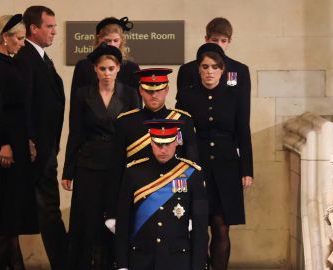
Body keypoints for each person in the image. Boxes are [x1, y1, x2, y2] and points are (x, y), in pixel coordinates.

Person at [61, 43, 139, 270]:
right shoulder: (82, 95)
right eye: (102, 68)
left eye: (111, 68)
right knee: (87, 222)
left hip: (120, 166)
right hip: (88, 165)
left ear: (118, 69)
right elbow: (75, 132)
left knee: (116, 220)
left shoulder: (130, 94)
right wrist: (68, 170)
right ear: (95, 69)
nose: (106, 73)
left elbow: (136, 133)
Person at [176, 43, 254, 270]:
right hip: (196, 166)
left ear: (222, 70)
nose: (209, 71)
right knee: (198, 226)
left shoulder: (234, 95)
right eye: (205, 67)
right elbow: (180, 134)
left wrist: (247, 169)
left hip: (227, 166)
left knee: (221, 226)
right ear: (198, 69)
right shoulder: (187, 96)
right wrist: (179, 167)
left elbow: (243, 131)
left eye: (215, 67)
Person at [0, 14, 38, 270]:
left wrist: (28, 141)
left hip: (17, 141)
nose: (23, 44)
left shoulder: (9, 64)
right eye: (20, 38)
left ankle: (0, 259)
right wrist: (6, 144)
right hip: (5, 143)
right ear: (5, 37)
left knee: (13, 205)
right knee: (5, 204)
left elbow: (21, 108)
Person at [104, 68, 199, 227]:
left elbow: (191, 168)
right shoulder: (126, 122)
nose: (154, 95)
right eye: (149, 90)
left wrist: (191, 213)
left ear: (167, 90)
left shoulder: (183, 120)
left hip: (174, 199)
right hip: (136, 200)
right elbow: (115, 170)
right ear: (140, 90)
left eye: (159, 90)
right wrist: (112, 213)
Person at [13, 6, 67, 269]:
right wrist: (29, 140)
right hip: (36, 152)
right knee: (46, 211)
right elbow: (23, 103)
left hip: (47, 149)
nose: (55, 31)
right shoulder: (26, 58)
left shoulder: (43, 58)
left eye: (54, 26)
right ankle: (65, 262)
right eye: (49, 26)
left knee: (45, 210)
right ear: (33, 29)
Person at [115, 119, 208, 270]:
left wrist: (198, 266)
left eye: (168, 144)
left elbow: (200, 226)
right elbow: (123, 223)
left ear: (176, 142)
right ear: (151, 142)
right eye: (158, 144)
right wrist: (122, 265)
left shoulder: (192, 174)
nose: (163, 150)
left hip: (177, 261)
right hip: (141, 259)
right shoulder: (133, 172)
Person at [71, 16, 141, 107]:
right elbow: (75, 104)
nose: (112, 45)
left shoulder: (132, 68)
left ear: (121, 41)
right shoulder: (83, 66)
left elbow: (137, 106)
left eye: (116, 40)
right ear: (98, 39)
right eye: (108, 40)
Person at [176, 17, 251, 103]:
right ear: (206, 39)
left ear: (229, 41)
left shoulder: (239, 69)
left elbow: (243, 108)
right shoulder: (187, 70)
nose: (219, 45)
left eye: (223, 41)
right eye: (214, 40)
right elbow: (182, 105)